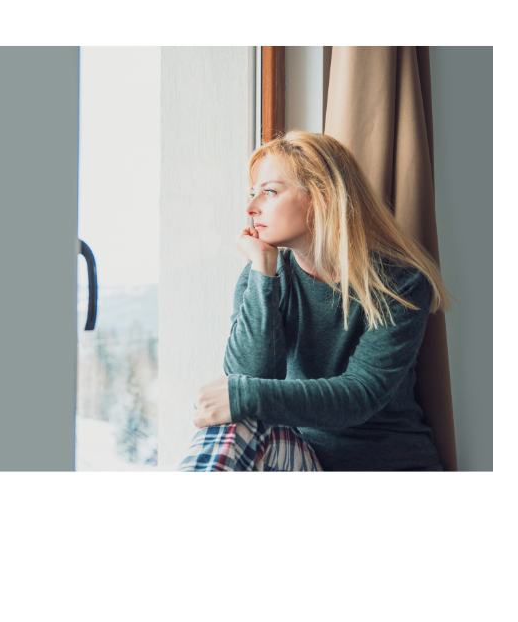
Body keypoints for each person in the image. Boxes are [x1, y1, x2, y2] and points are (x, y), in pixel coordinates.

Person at [178, 131, 452, 472]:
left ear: (321, 196)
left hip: (385, 464)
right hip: (299, 459)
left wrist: (243, 395)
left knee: (238, 404)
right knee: (234, 422)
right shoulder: (262, 274)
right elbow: (250, 376)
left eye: (270, 192)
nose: (250, 208)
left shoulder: (400, 282)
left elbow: (362, 394)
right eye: (253, 194)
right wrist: (263, 271)